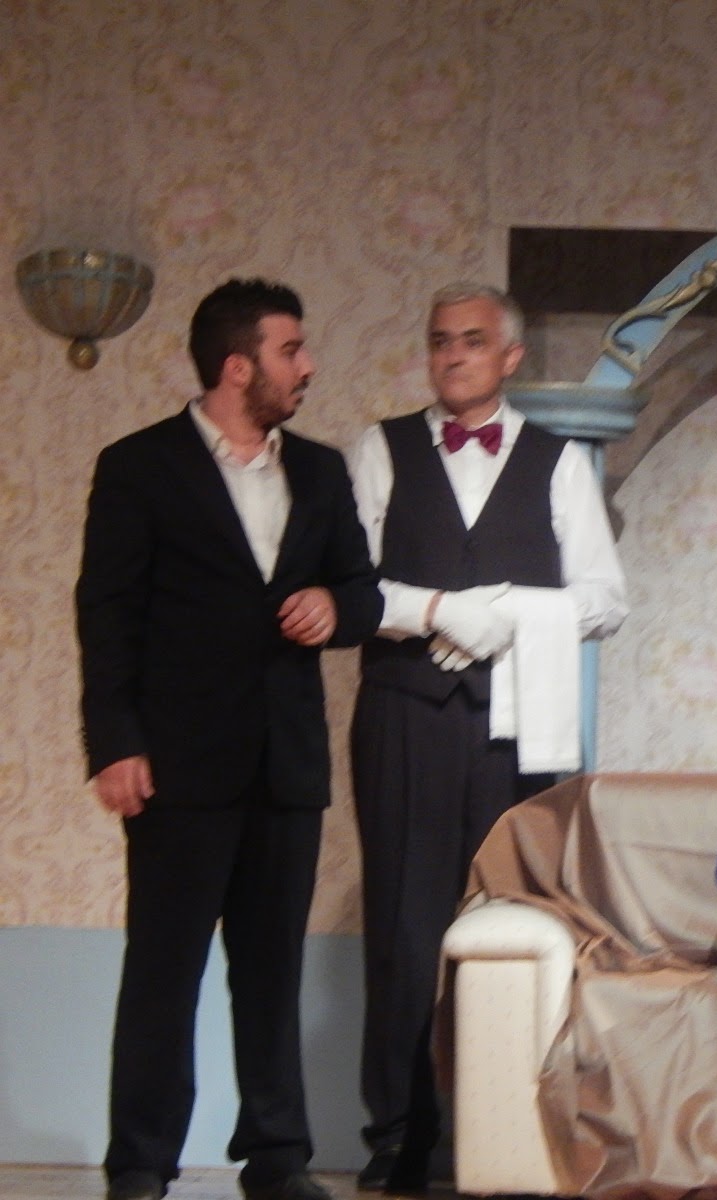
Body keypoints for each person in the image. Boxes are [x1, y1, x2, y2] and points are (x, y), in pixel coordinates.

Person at [76, 279, 382, 1200]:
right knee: (162, 973)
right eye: (292, 350)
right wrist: (113, 742)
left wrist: (334, 606)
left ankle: (277, 1158)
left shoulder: (319, 471)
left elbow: (363, 592)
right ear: (238, 366)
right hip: (176, 767)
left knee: (272, 972)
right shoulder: (140, 466)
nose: (309, 366)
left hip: (285, 766)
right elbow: (107, 613)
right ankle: (141, 1162)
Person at [346, 282, 628, 1192]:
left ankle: (508, 1129)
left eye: (471, 341)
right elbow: (351, 584)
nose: (452, 355)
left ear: (510, 357)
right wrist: (436, 609)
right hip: (404, 715)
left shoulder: (557, 461)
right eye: (440, 341)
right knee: (403, 923)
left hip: (519, 726)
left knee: (516, 916)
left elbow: (606, 598)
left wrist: (513, 613)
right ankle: (399, 1136)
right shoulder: (381, 450)